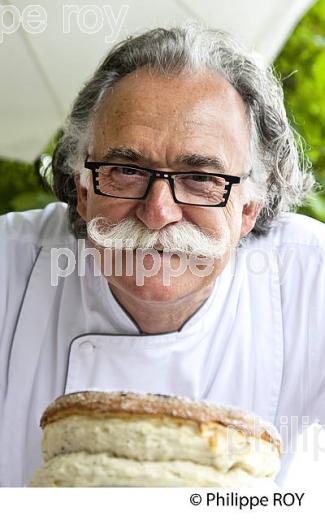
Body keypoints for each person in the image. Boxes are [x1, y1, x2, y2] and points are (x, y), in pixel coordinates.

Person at [0, 24, 324, 487]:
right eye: (126, 170)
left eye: (200, 178)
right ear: (83, 189)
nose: (158, 212)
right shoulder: (8, 269)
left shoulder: (311, 279)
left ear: (249, 208)